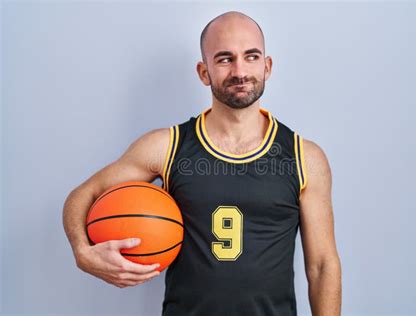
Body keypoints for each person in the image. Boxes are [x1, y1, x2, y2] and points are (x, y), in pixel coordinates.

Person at [63, 10, 341, 316]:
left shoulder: (304, 157)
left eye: (251, 57)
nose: (240, 71)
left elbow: (322, 266)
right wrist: (82, 252)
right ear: (203, 72)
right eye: (224, 59)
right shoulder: (167, 146)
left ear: (267, 66)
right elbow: (81, 196)